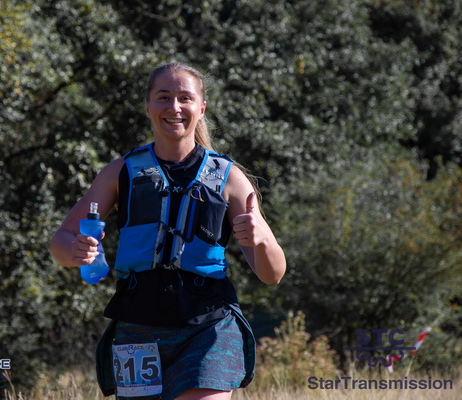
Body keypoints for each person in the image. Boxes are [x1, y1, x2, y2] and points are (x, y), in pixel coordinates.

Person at [49, 62, 286, 400]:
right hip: (137, 327)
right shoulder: (121, 172)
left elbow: (272, 274)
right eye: (163, 97)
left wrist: (261, 240)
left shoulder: (230, 177)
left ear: (201, 109)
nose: (174, 107)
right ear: (148, 106)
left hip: (210, 325)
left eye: (185, 98)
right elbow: (60, 241)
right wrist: (73, 251)